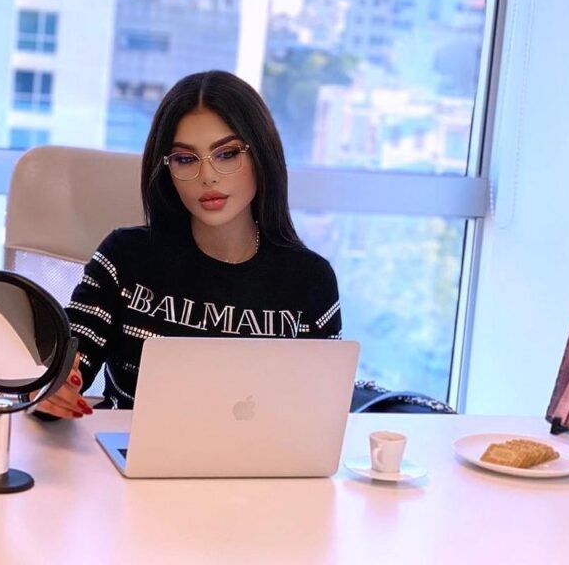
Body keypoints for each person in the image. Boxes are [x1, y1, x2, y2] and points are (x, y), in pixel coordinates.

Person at [35, 70, 342, 418]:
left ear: (261, 155)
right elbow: (66, 362)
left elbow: (318, 417)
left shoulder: (309, 281)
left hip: (260, 455)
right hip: (126, 450)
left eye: (227, 154)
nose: (207, 176)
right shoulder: (125, 258)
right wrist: (50, 386)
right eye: (185, 159)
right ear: (167, 168)